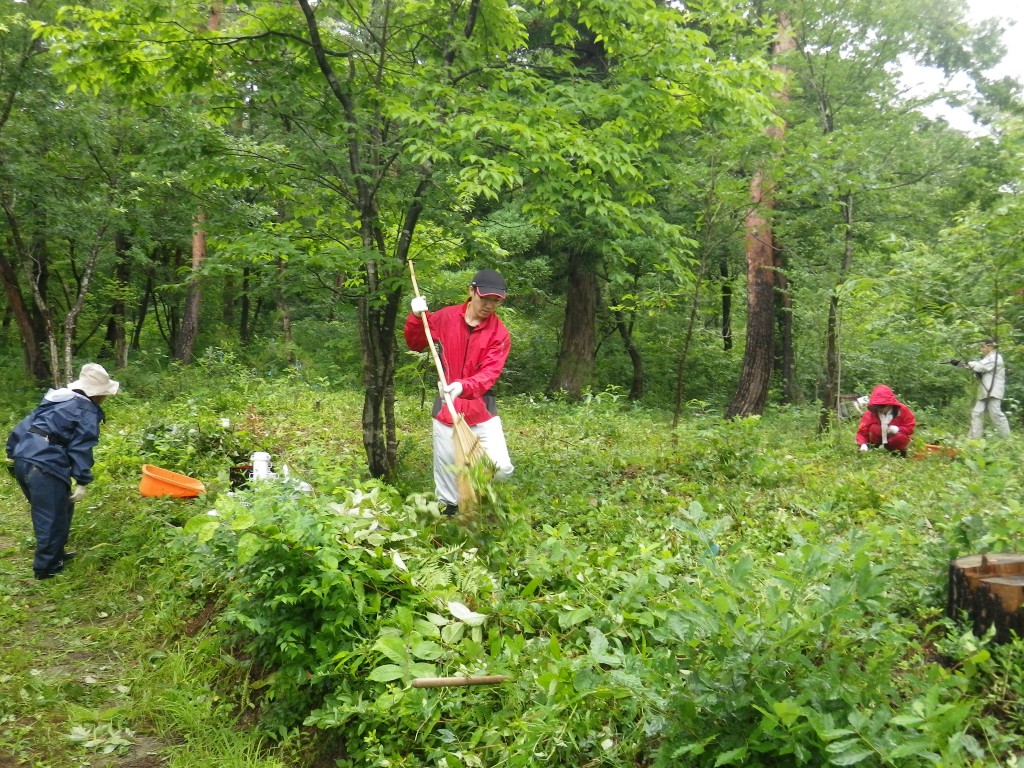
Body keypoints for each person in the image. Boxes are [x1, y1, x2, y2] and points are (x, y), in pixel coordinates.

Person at [404, 269, 514, 515]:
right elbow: (416, 342)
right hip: (446, 409)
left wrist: (464, 386)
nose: (489, 305)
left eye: (495, 301)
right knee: (447, 480)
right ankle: (451, 520)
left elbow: (489, 374)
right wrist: (415, 316)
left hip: (481, 409)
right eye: (484, 298)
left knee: (502, 467)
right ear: (471, 291)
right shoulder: (446, 318)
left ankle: (479, 496)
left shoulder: (500, 334)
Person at [6, 363, 120, 579]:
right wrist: (82, 480)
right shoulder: (86, 410)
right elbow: (81, 447)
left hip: (25, 456)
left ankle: (56, 553)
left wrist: (13, 453)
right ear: (97, 394)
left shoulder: (58, 398)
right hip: (45, 464)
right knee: (50, 514)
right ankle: (46, 568)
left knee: (62, 508)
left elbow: (25, 425)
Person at [957, 338, 1011, 439]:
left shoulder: (996, 357)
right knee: (977, 413)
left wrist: (962, 364)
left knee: (996, 414)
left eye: (983, 346)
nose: (981, 348)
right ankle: (973, 439)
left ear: (990, 347)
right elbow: (981, 371)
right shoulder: (988, 358)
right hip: (985, 390)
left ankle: (1007, 438)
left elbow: (982, 366)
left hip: (994, 390)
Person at [855, 384, 915, 456]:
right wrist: (863, 444)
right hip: (877, 442)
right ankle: (875, 449)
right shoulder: (870, 414)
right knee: (874, 428)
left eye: (882, 406)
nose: (880, 409)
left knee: (899, 437)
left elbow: (910, 427)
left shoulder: (902, 410)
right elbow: (862, 432)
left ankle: (898, 453)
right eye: (877, 406)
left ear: (890, 404)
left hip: (895, 441)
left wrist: (899, 429)